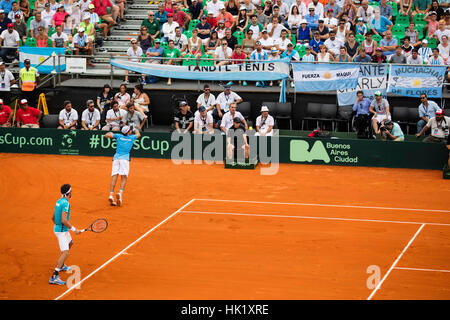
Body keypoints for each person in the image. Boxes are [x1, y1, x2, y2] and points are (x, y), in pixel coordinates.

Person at [49, 183, 80, 286]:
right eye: (71, 191)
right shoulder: (66, 204)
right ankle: (54, 276)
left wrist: (58, 226)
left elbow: (53, 217)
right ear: (69, 193)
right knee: (65, 253)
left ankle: (61, 266)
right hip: (62, 230)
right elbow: (63, 220)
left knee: (70, 243)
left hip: (61, 229)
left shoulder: (59, 201)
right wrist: (74, 229)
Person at [105, 125, 141, 206]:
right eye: (130, 130)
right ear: (128, 132)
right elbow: (138, 134)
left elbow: (106, 135)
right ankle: (120, 193)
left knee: (114, 176)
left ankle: (111, 194)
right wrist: (134, 128)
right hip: (125, 160)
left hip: (116, 159)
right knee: (124, 178)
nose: (131, 131)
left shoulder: (118, 136)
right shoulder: (131, 137)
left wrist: (110, 132)